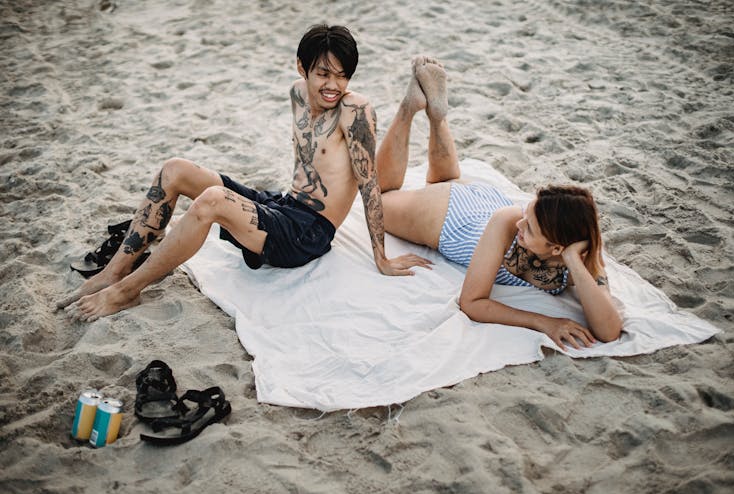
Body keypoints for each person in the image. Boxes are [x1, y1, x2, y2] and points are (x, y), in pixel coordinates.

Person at [59, 24, 431, 321]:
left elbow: (370, 184)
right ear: (302, 68)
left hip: (308, 233)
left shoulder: (355, 111)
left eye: (342, 76)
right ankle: (113, 272)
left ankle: (126, 292)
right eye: (323, 73)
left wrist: (381, 257)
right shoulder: (298, 93)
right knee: (175, 170)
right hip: (282, 207)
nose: (333, 85)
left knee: (211, 201)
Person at [375, 56, 623, 349]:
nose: (520, 221)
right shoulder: (508, 220)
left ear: (559, 247)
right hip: (452, 217)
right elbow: (472, 302)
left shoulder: (581, 253)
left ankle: (437, 116)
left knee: (444, 180)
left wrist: (573, 263)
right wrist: (545, 322)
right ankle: (409, 107)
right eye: (527, 213)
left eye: (529, 227)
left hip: (478, 200)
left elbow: (609, 331)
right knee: (378, 199)